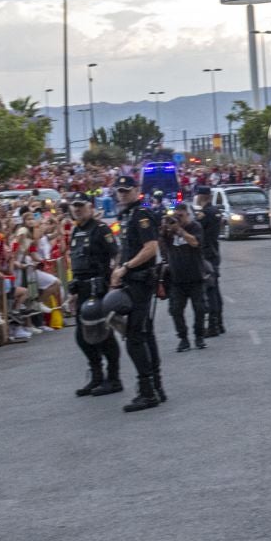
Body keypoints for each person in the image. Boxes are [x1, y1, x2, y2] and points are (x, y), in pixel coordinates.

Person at [108, 175, 166, 413]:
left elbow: (151, 247)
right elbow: (126, 247)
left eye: (127, 190)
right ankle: (156, 386)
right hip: (131, 280)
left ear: (137, 190)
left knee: (135, 338)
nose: (122, 193)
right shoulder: (127, 215)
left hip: (141, 281)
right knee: (144, 335)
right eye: (120, 190)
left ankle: (147, 392)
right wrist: (117, 269)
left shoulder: (141, 214)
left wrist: (126, 267)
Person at [66, 196, 122, 397]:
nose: (78, 210)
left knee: (103, 334)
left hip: (98, 287)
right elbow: (75, 262)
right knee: (82, 337)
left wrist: (113, 280)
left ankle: (114, 378)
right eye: (75, 206)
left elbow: (116, 254)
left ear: (91, 207)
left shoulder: (100, 229)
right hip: (81, 289)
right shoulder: (76, 230)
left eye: (81, 206)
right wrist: (72, 291)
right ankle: (96, 375)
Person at [162, 203, 210, 353]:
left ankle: (199, 336)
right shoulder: (169, 230)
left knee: (200, 309)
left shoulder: (195, 227)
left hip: (195, 276)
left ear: (187, 214)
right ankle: (183, 338)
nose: (178, 219)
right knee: (176, 310)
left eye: (181, 216)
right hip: (177, 279)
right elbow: (160, 245)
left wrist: (180, 230)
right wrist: (165, 228)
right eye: (175, 216)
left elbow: (195, 242)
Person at [193, 188, 225, 339]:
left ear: (201, 196)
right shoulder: (216, 211)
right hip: (214, 252)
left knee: (210, 290)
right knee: (215, 290)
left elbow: (196, 232)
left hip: (206, 254)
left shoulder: (204, 214)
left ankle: (213, 326)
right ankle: (219, 322)